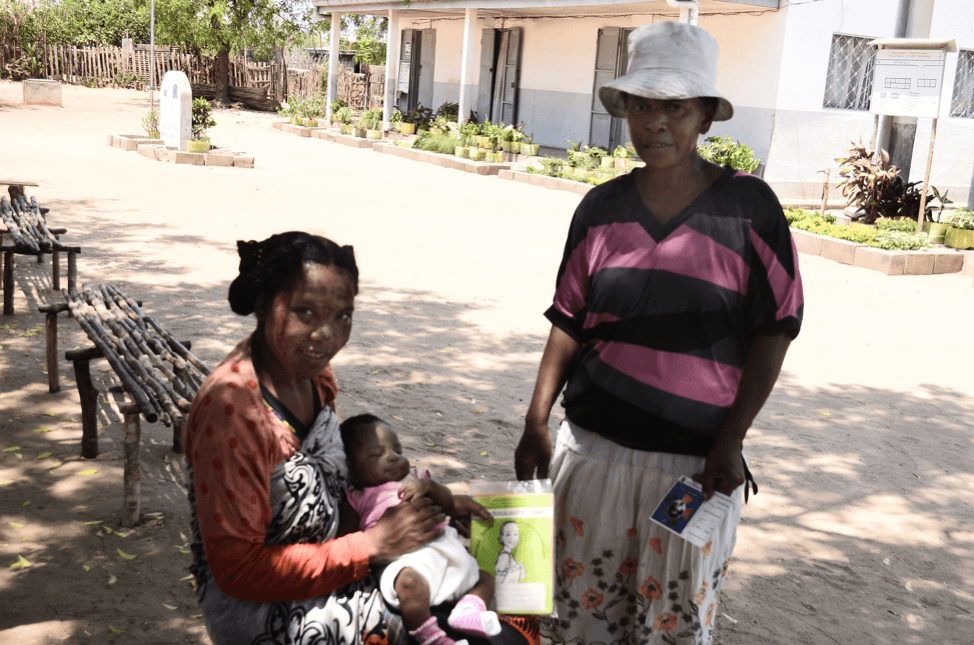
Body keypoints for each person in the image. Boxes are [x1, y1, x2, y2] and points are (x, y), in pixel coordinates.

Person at [513, 21, 803, 645]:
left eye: (675, 107)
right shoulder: (600, 208)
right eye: (642, 106)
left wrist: (732, 440)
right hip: (590, 455)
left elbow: (774, 331)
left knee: (669, 626)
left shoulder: (751, 210)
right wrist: (536, 419)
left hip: (693, 473)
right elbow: (568, 318)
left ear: (705, 116)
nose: (657, 123)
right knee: (572, 617)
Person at [183, 232, 533, 645]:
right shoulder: (232, 412)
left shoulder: (314, 376)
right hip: (268, 608)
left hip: (345, 555)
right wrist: (371, 545)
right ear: (264, 305)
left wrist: (422, 505)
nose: (327, 335)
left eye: (343, 316)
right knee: (495, 637)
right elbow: (239, 572)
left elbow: (337, 474)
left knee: (510, 600)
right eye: (306, 312)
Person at [340, 414, 502, 645]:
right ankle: (430, 637)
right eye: (377, 454)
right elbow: (347, 540)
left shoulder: (415, 481)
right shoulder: (357, 498)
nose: (393, 457)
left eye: (398, 450)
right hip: (405, 560)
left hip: (444, 549)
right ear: (353, 470)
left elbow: (447, 504)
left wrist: (430, 487)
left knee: (484, 576)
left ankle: (468, 611)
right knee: (408, 585)